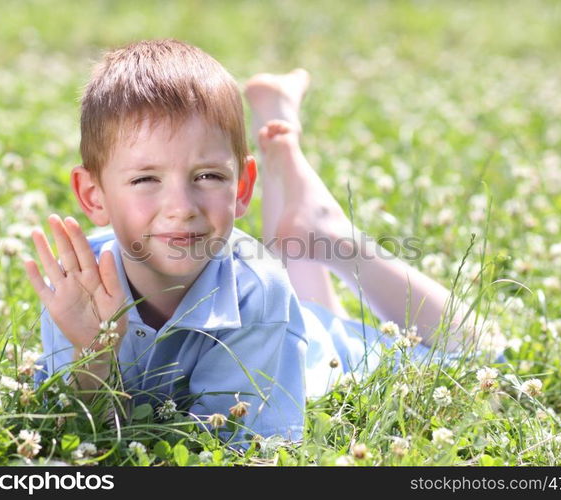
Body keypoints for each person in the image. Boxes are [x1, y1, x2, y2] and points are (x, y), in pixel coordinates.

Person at [25, 39, 495, 446]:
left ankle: (329, 231)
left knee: (478, 351)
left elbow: (230, 446)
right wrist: (94, 354)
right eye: (146, 178)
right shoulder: (78, 285)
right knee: (289, 297)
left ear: (242, 187)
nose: (181, 206)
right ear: (93, 195)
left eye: (208, 175)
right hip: (283, 316)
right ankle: (299, 195)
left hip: (320, 351)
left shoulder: (260, 292)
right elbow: (71, 430)